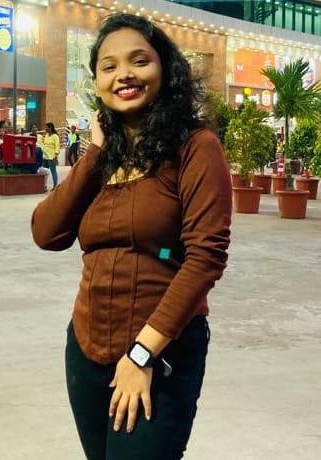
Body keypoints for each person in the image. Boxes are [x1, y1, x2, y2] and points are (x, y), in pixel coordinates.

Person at [31, 13, 232, 460]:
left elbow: (206, 258)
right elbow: (47, 233)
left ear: (165, 69)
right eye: (109, 66)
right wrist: (95, 152)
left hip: (161, 353)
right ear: (97, 82)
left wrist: (142, 355)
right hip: (85, 350)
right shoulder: (103, 156)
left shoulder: (195, 146)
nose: (124, 74)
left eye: (139, 61)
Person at [42, 122, 60, 190]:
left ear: (50, 128)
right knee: (44, 172)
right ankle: (44, 186)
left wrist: (55, 156)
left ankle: (55, 186)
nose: (45, 129)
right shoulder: (46, 135)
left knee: (53, 172)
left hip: (51, 157)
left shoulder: (55, 136)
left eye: (46, 127)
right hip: (45, 157)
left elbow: (57, 147)